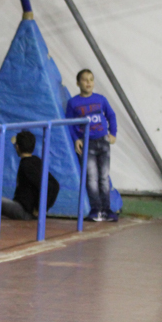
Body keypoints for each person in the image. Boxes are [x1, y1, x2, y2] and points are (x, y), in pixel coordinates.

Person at [66, 68, 118, 222]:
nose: (88, 83)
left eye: (91, 79)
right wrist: (76, 139)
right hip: (87, 144)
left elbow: (111, 115)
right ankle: (96, 209)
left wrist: (113, 133)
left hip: (103, 142)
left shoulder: (101, 99)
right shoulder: (73, 103)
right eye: (84, 80)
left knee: (104, 177)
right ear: (78, 83)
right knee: (91, 178)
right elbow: (69, 123)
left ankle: (107, 209)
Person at [1, 130, 60, 221]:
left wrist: (38, 208)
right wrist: (44, 208)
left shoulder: (26, 166)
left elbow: (50, 186)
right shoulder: (36, 161)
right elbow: (55, 185)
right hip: (26, 209)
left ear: (17, 147)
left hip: (24, 211)